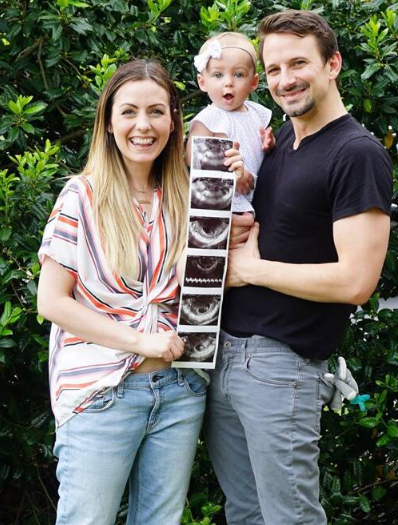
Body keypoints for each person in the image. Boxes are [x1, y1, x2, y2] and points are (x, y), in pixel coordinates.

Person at [203, 10, 393, 525]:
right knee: (244, 514)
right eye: (273, 69)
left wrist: (251, 270)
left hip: (281, 365)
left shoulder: (356, 153)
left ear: (332, 64)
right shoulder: (280, 141)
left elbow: (356, 281)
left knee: (290, 517)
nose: (284, 79)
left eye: (298, 63)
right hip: (226, 353)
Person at [37, 59, 243, 525]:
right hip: (100, 392)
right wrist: (139, 341)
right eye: (129, 112)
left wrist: (238, 181)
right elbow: (51, 302)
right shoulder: (81, 196)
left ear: (174, 121)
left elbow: (236, 257)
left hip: (179, 389)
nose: (143, 125)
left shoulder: (193, 196)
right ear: (108, 122)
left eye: (156, 111)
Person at [187, 31, 274, 213]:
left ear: (254, 82)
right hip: (226, 201)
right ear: (202, 82)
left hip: (260, 195)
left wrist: (269, 145)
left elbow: (259, 151)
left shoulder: (256, 112)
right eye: (218, 75)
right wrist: (232, 175)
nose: (228, 82)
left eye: (239, 75)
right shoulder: (209, 119)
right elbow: (193, 158)